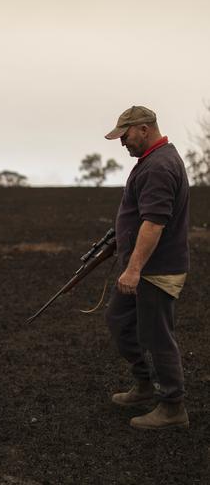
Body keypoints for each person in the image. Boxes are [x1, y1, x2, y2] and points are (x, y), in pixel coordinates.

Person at [104, 105, 190, 430]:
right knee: (120, 321)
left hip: (155, 270)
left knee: (156, 336)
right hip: (145, 268)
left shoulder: (159, 166)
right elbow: (141, 216)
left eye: (124, 136)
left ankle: (172, 406)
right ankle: (143, 385)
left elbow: (154, 224)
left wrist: (134, 268)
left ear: (143, 128)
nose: (122, 142)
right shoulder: (152, 161)